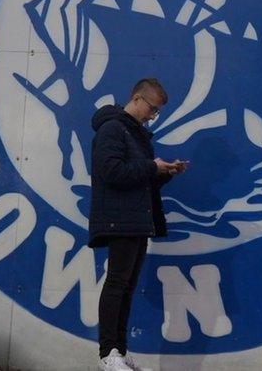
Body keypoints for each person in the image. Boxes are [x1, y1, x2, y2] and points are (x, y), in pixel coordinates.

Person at [88, 78, 187, 371]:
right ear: (137, 98)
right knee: (117, 283)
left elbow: (138, 177)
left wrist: (165, 172)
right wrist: (151, 166)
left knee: (127, 286)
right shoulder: (112, 129)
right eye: (152, 109)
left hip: (137, 219)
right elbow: (111, 171)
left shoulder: (136, 134)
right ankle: (107, 353)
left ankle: (119, 349)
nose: (153, 116)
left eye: (157, 112)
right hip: (120, 219)